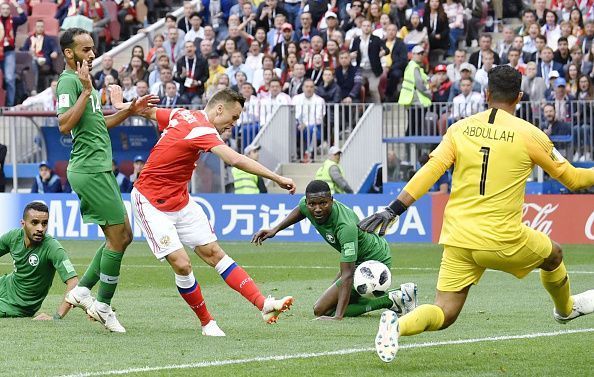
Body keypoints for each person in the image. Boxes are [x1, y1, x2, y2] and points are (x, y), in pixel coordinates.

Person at [359, 65, 594, 363]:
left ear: (487, 94)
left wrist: (395, 208)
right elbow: (574, 179)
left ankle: (397, 324)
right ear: (519, 97)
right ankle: (565, 310)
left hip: (458, 238)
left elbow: (431, 170)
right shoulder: (530, 135)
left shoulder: (459, 129)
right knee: (554, 256)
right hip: (500, 239)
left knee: (444, 312)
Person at [109, 86, 296, 336]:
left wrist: (122, 104)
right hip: (151, 202)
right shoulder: (202, 129)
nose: (233, 124)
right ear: (219, 109)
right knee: (183, 265)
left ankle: (263, 304)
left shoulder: (183, 114)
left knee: (214, 253)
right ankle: (207, 323)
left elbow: (148, 112)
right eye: (234, 117)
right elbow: (235, 160)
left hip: (181, 201)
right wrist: (276, 177)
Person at [56, 28, 158, 333]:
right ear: (68, 54)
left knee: (123, 235)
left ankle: (82, 290)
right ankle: (102, 306)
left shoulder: (85, 81)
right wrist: (86, 92)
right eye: (85, 49)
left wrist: (129, 111)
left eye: (92, 48)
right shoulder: (69, 82)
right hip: (89, 170)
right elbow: (63, 125)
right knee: (118, 238)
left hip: (98, 168)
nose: (91, 54)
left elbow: (99, 124)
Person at [252, 180, 418, 320]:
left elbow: (347, 274)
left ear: (331, 200)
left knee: (321, 310)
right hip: (359, 257)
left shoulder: (345, 227)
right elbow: (301, 210)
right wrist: (275, 229)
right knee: (333, 300)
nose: (317, 209)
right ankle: (395, 297)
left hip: (374, 260)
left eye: (322, 203)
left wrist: (337, 317)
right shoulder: (306, 205)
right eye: (312, 204)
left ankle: (393, 298)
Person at [0, 202, 78, 320]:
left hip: (18, 305)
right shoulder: (13, 237)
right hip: (5, 285)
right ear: (23, 223)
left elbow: (74, 282)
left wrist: (56, 317)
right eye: (34, 223)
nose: (40, 228)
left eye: (44, 223)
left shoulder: (53, 248)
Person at [399, 45, 431, 136]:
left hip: (414, 101)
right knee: (415, 127)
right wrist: (429, 94)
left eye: (422, 53)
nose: (420, 55)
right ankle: (410, 149)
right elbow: (419, 84)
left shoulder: (415, 66)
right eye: (418, 54)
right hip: (416, 101)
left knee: (413, 126)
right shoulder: (414, 66)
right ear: (412, 55)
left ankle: (411, 149)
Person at [0, 0, 27, 106]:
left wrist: (16, 5)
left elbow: (24, 18)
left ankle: (10, 106)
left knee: (10, 78)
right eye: (3, 9)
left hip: (9, 53)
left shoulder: (13, 20)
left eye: (7, 9)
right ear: (1, 10)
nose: (5, 11)